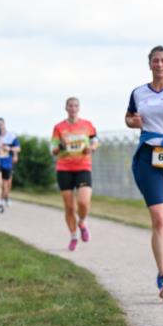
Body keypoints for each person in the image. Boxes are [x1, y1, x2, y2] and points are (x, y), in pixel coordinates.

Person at [125, 46, 163, 300]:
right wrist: (133, 122)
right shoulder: (139, 92)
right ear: (149, 64)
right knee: (159, 220)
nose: (159, 64)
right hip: (148, 158)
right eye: (155, 61)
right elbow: (129, 118)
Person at [52, 97, 99, 251]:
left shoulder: (87, 125)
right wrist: (61, 145)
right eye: (70, 106)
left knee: (83, 202)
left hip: (83, 166)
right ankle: (73, 236)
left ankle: (82, 222)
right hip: (64, 168)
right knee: (69, 207)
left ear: (79, 108)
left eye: (75, 105)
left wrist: (91, 148)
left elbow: (96, 140)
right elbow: (53, 150)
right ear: (66, 108)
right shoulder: (59, 127)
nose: (73, 108)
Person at [0, 117, 20, 209]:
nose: (0, 126)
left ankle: (5, 197)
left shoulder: (11, 136)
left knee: (7, 184)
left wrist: (11, 151)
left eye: (1, 124)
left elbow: (18, 148)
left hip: (7, 162)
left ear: (4, 124)